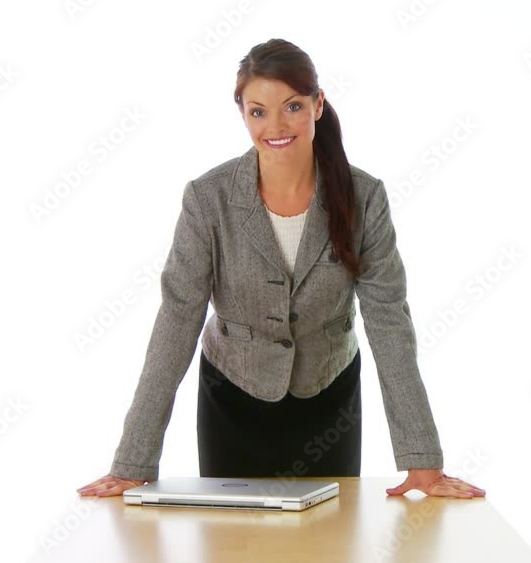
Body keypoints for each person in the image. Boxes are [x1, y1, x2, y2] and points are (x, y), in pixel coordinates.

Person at [78, 38, 485, 500]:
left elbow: (390, 321)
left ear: (318, 105)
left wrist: (422, 460)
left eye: (292, 106)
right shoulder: (207, 199)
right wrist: (134, 461)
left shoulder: (364, 197)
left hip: (329, 399)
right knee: (235, 543)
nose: (275, 126)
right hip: (232, 396)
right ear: (243, 115)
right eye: (258, 111)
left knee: (327, 541)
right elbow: (177, 318)